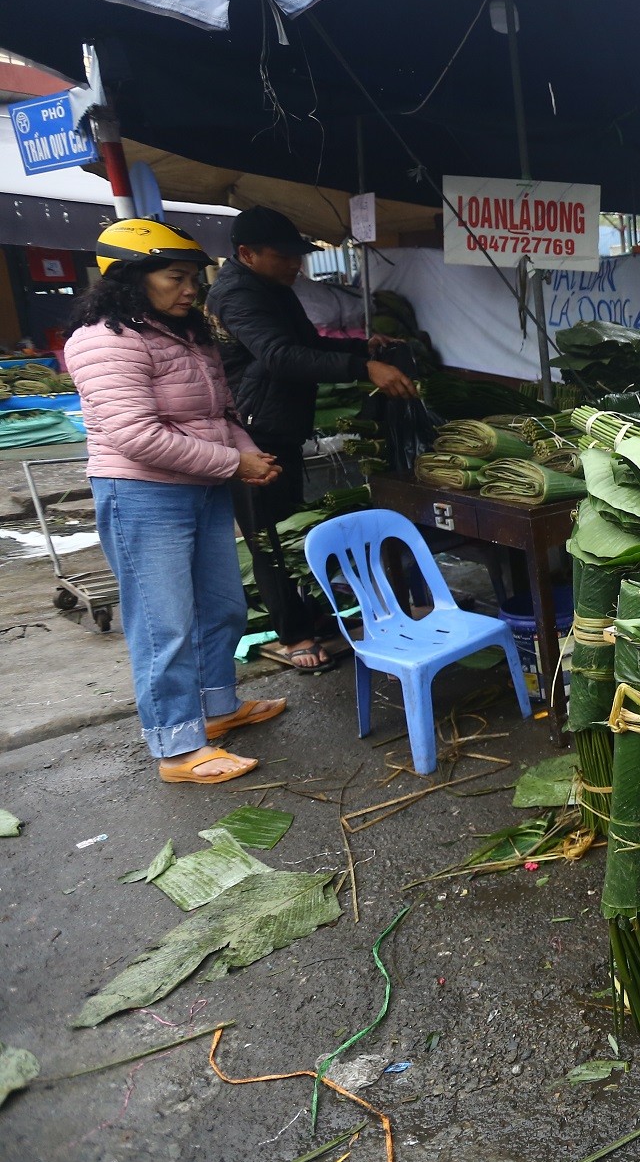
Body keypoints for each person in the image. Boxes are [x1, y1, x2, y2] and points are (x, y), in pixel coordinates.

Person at [66, 219, 288, 784]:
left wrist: (247, 453)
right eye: (176, 277)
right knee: (164, 625)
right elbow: (134, 436)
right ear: (131, 278)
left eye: (194, 278)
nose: (191, 289)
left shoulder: (188, 334)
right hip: (142, 495)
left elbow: (221, 414)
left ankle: (217, 711)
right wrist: (232, 463)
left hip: (204, 488)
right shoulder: (104, 340)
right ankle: (176, 748)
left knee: (224, 608)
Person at [206, 207, 416, 672]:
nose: (295, 266)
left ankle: (307, 613)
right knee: (268, 536)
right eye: (283, 257)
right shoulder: (237, 295)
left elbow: (307, 342)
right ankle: (294, 633)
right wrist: (363, 369)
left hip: (280, 423)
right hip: (251, 433)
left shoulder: (272, 288)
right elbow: (281, 357)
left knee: (289, 524)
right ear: (247, 254)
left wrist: (362, 347)